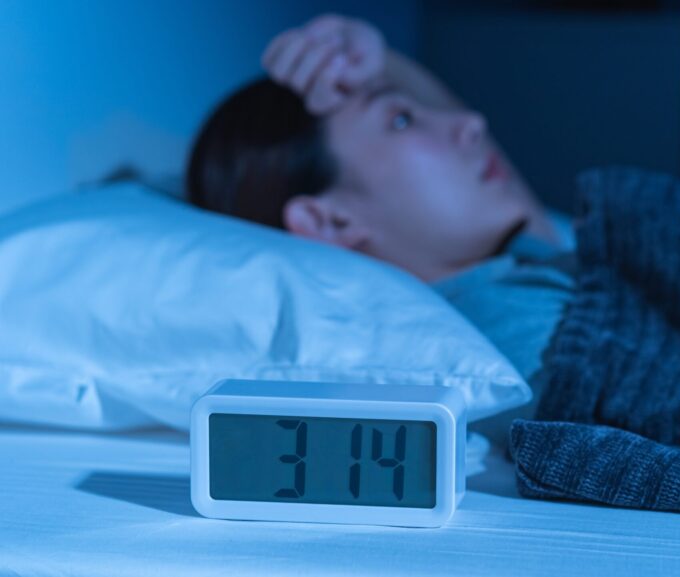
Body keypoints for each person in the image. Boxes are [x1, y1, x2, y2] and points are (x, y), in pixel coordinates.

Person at [186, 14, 577, 443]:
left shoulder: (527, 256)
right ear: (330, 221)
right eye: (402, 120)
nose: (472, 124)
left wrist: (373, 59)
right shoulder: (517, 345)